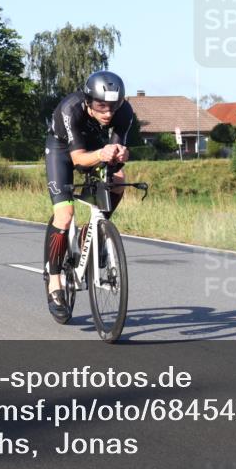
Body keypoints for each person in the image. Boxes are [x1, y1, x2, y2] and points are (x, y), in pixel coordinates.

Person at [44, 70, 134, 322]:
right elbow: (78, 158)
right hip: (62, 149)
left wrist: (119, 155)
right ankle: (54, 283)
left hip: (95, 145)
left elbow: (115, 151)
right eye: (101, 107)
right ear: (88, 101)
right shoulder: (70, 109)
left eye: (113, 107)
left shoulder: (125, 112)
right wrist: (101, 155)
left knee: (118, 180)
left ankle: (93, 232)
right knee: (64, 214)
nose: (107, 113)